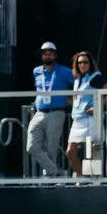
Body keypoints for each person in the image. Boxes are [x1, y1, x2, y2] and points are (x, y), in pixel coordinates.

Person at [27, 42, 72, 177]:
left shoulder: (64, 71)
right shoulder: (36, 71)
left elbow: (80, 82)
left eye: (50, 53)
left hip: (56, 112)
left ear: (55, 55)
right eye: (45, 53)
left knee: (51, 148)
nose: (47, 56)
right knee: (31, 147)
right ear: (41, 56)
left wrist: (72, 98)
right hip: (39, 112)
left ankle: (50, 176)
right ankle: (55, 172)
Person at [65, 50, 107, 178]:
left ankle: (93, 179)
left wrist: (98, 107)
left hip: (91, 119)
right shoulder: (77, 79)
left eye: (85, 62)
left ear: (90, 63)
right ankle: (82, 178)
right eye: (79, 63)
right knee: (70, 152)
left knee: (91, 152)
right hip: (78, 120)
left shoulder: (95, 77)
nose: (82, 65)